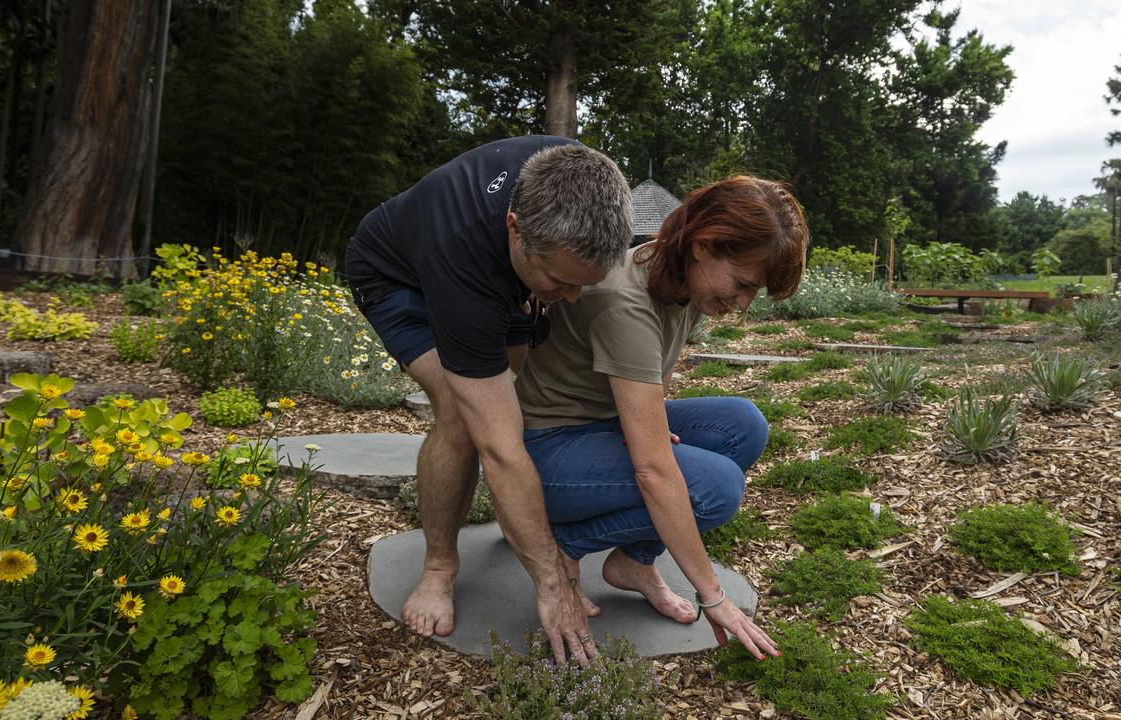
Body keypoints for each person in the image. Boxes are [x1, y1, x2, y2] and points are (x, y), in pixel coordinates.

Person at [345, 136, 634, 666]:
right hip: (396, 277)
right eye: (561, 282)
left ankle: (513, 517)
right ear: (515, 229)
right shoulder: (460, 258)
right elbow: (500, 448)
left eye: (583, 285)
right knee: (464, 417)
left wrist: (548, 285)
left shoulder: (575, 179)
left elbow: (562, 281)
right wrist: (551, 583)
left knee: (506, 403)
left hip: (499, 273)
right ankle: (438, 567)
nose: (571, 299)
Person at [513, 175, 808, 660]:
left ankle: (634, 561)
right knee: (714, 488)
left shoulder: (681, 280)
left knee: (742, 424)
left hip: (600, 423)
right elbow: (653, 470)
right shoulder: (623, 304)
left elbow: (659, 372)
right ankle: (562, 543)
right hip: (549, 452)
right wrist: (713, 596)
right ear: (704, 246)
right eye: (743, 285)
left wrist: (649, 425)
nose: (743, 304)